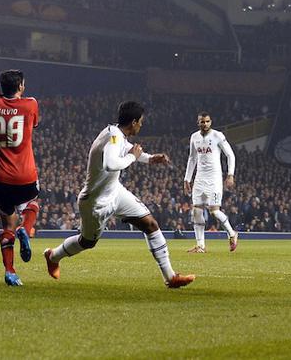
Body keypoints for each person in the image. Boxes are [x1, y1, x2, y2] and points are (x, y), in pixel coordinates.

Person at [43, 101, 195, 289]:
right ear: (133, 122)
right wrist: (132, 157)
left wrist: (149, 158)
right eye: (141, 122)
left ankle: (171, 277)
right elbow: (111, 164)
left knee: (150, 224)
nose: (141, 125)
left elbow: (127, 149)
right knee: (87, 242)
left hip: (115, 191)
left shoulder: (116, 134)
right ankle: (53, 256)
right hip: (95, 201)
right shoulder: (113, 136)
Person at [0, 70, 40, 287]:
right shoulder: (30, 104)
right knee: (32, 203)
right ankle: (25, 228)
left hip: (0, 175)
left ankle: (10, 272)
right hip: (25, 173)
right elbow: (34, 124)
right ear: (21, 86)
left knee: (7, 223)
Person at [184, 112, 238, 253]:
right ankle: (200, 246)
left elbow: (230, 154)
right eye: (202, 122)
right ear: (198, 123)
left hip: (214, 178)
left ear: (211, 122)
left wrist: (230, 174)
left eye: (207, 121)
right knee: (196, 211)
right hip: (200, 178)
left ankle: (232, 234)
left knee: (214, 211)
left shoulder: (217, 136)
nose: (205, 124)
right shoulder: (194, 137)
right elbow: (192, 159)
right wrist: (187, 179)